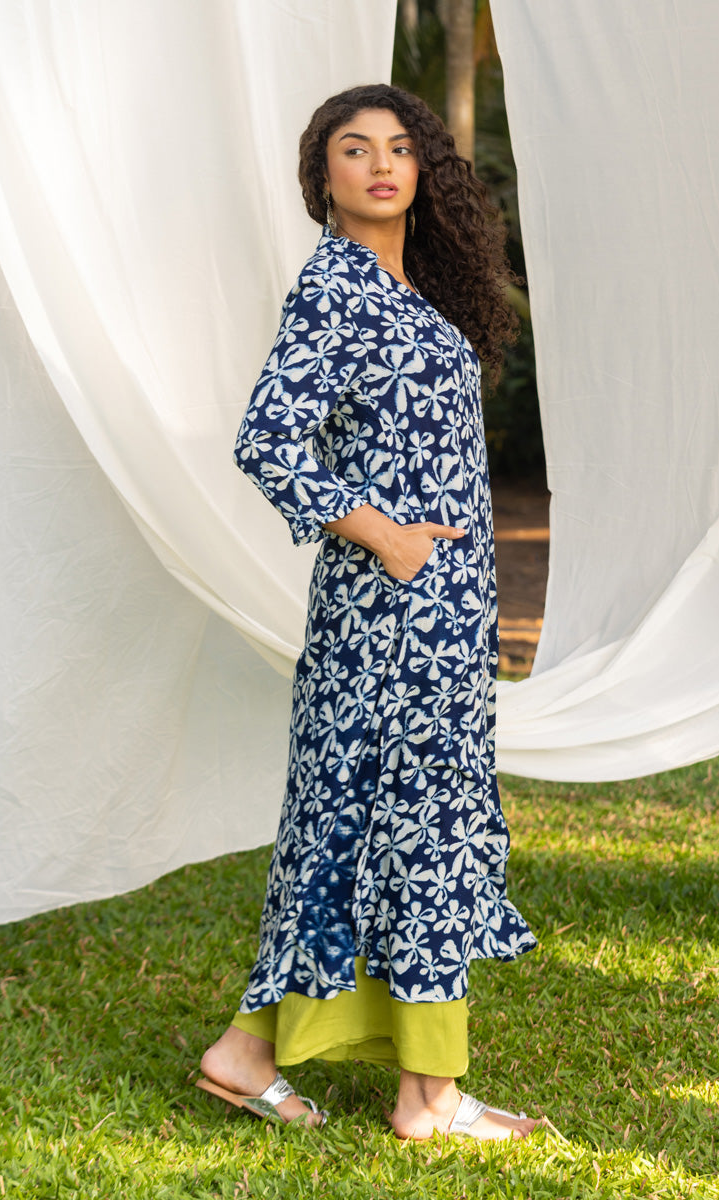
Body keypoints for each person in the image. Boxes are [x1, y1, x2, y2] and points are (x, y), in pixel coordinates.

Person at [198, 83, 539, 1141]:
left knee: (357, 817)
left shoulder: (406, 287)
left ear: (423, 167)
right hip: (389, 611)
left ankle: (247, 1051)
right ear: (324, 175)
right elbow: (267, 439)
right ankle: (427, 1095)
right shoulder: (335, 288)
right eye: (355, 149)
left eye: (399, 147)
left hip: (439, 608)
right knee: (413, 820)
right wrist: (384, 535)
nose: (382, 164)